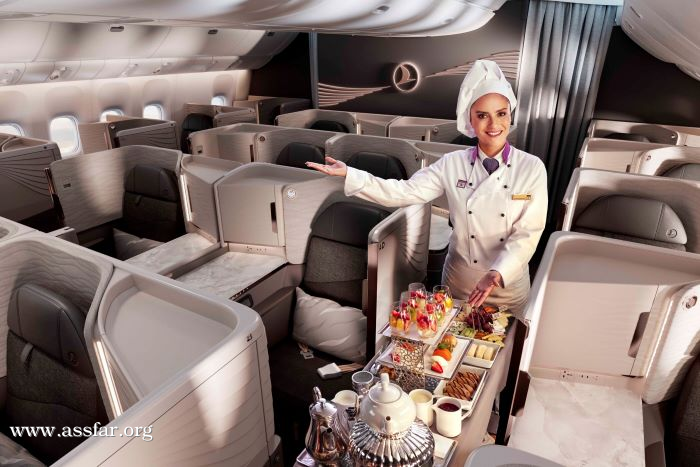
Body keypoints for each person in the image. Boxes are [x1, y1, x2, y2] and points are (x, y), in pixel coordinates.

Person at [307, 60, 547, 317]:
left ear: (510, 115)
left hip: (507, 285)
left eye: (501, 113)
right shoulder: (452, 163)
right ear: (469, 119)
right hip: (461, 282)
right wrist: (351, 174)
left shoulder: (531, 167)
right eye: (482, 115)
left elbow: (528, 232)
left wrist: (497, 273)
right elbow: (404, 192)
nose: (493, 124)